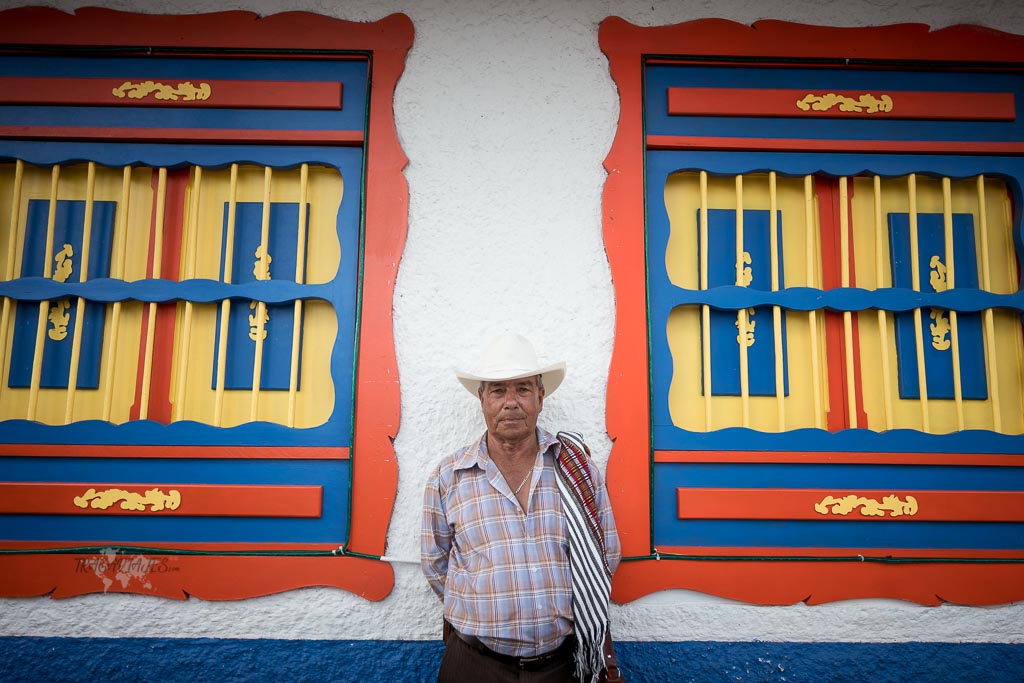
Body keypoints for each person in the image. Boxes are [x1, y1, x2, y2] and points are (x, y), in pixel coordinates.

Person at [421, 333, 621, 682]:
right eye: (498, 390)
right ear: (482, 399)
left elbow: (607, 554)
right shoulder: (448, 476)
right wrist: (481, 608)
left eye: (523, 389)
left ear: (540, 398)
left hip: (561, 666)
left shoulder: (576, 468)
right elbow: (434, 561)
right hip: (474, 663)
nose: (510, 402)